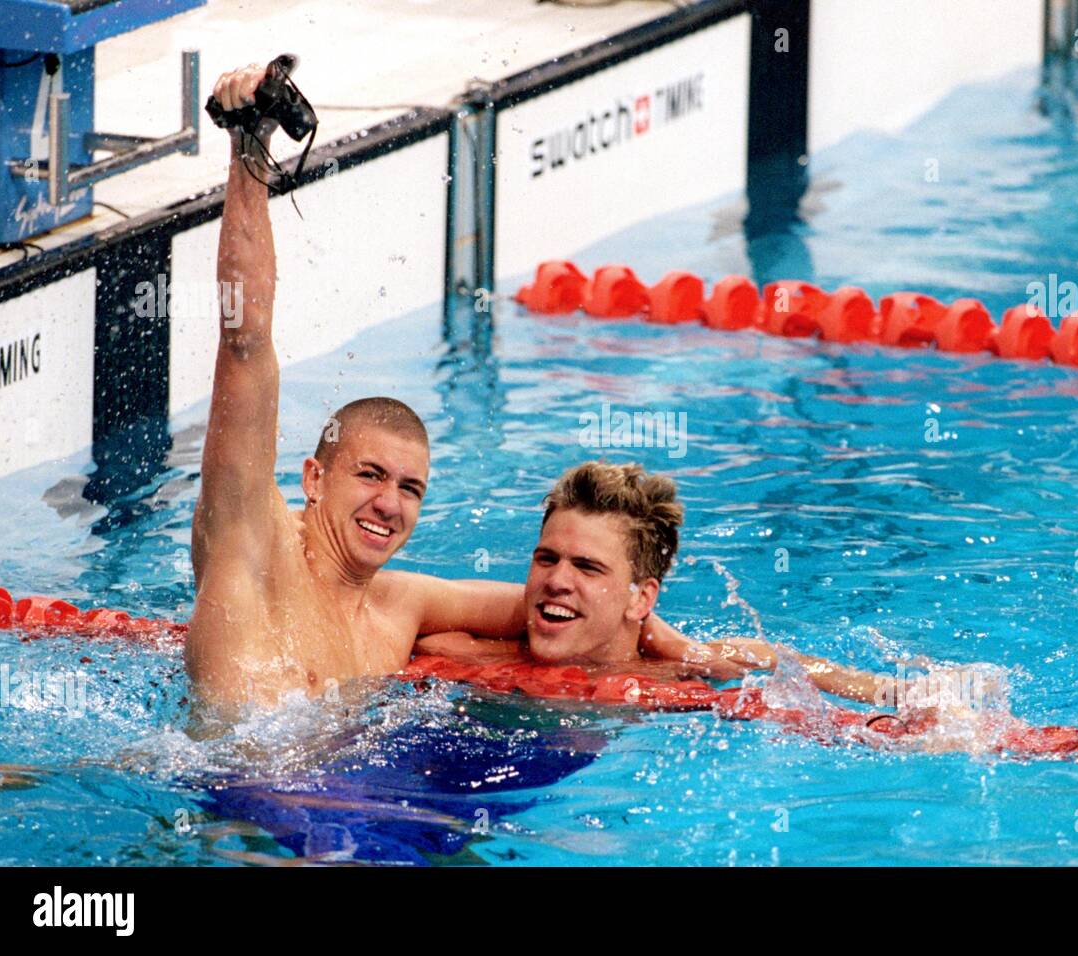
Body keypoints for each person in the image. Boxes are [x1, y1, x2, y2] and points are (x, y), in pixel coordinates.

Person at [184, 64, 713, 720]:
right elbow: (244, 340)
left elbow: (558, 605)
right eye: (371, 474)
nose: (389, 503)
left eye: (410, 489)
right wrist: (248, 153)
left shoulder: (399, 607)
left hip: (339, 808)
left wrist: (663, 635)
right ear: (313, 477)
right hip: (215, 809)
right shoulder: (251, 539)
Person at [416, 460, 919, 706]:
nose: (556, 582)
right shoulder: (462, 653)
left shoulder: (686, 672)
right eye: (546, 559)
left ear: (643, 598)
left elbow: (789, 672)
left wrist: (908, 701)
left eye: (587, 568)